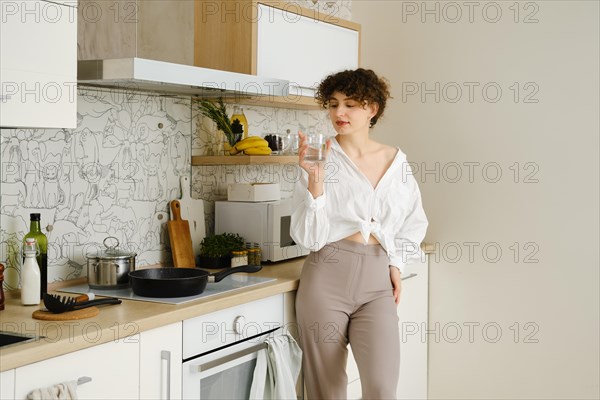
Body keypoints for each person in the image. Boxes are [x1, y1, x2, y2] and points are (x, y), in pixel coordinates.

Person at [290, 68, 428, 400]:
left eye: (350, 104)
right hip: (326, 278)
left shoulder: (396, 161)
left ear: (372, 109)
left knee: (382, 389)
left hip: (376, 286)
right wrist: (315, 183)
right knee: (327, 391)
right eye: (333, 104)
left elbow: (413, 223)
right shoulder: (318, 155)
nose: (339, 113)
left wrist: (395, 264)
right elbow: (308, 239)